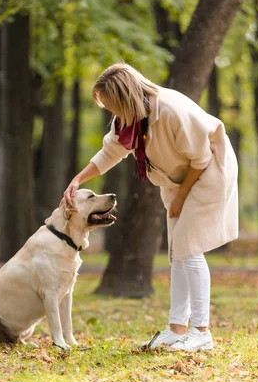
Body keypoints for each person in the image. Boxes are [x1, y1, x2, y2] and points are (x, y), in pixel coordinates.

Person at [61, 63, 238, 352]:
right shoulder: (130, 119)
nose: (110, 112)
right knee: (177, 252)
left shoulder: (170, 110)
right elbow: (110, 153)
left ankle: (201, 332)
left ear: (124, 96)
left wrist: (181, 195)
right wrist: (78, 179)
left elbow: (201, 157)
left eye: (111, 105)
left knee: (189, 248)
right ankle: (177, 329)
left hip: (207, 172)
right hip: (178, 179)